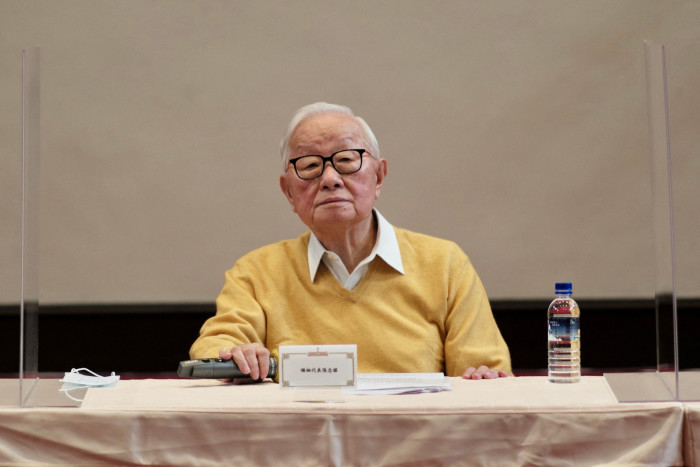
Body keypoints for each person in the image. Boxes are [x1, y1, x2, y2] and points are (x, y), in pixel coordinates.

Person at [190, 102, 511, 381]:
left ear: (379, 177)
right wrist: (237, 356)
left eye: (346, 160)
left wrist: (484, 376)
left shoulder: (444, 263)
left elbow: (484, 369)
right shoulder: (256, 272)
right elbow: (216, 346)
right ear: (288, 191)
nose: (329, 179)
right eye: (310, 166)